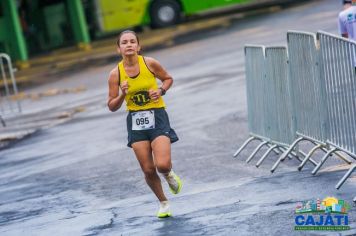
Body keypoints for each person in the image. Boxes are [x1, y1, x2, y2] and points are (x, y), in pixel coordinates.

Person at [107, 30, 182, 218]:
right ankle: (164, 203)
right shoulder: (115, 74)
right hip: (135, 121)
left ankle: (169, 175)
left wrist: (161, 90)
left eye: (133, 41)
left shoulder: (150, 63)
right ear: (119, 48)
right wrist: (123, 94)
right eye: (124, 42)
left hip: (157, 116)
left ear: (138, 46)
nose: (129, 45)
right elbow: (111, 106)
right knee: (148, 169)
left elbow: (168, 78)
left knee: (162, 165)